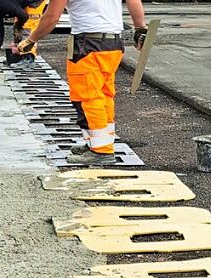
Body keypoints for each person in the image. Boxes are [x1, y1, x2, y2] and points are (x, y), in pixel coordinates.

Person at [15, 0, 147, 166]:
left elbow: (52, 17)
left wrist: (30, 40)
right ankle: (99, 142)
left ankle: (101, 151)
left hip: (88, 44)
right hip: (113, 43)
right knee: (104, 95)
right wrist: (140, 27)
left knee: (88, 98)